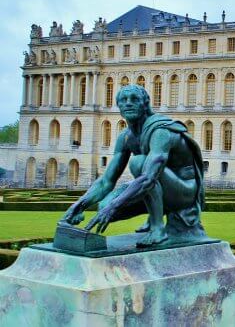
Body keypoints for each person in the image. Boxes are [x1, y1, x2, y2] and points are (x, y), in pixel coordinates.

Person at [62, 85, 205, 247]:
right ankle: (153, 219)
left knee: (139, 163)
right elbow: (106, 181)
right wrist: (79, 205)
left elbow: (148, 178)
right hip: (161, 184)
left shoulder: (160, 131)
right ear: (119, 106)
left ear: (145, 104)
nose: (128, 103)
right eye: (123, 100)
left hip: (185, 192)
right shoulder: (126, 137)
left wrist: (115, 206)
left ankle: (157, 229)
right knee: (104, 205)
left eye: (134, 99)